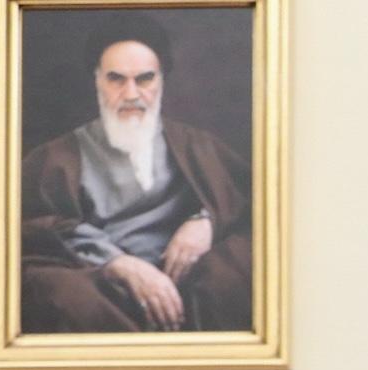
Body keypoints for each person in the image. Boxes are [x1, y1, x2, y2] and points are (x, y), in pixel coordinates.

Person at [20, 17, 253, 334]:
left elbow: (247, 200)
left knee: (238, 269)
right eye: (116, 79)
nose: (131, 94)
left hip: (188, 280)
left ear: (161, 81)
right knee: (64, 295)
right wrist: (120, 265)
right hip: (100, 280)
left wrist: (206, 221)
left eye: (144, 79)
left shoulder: (196, 145)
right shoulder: (54, 158)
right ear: (97, 81)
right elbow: (38, 228)